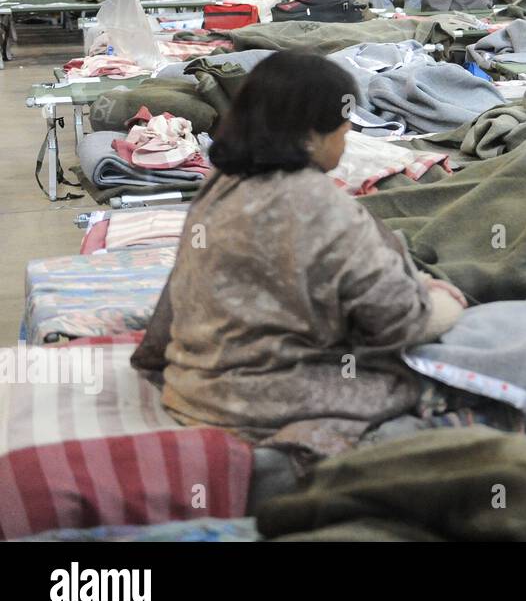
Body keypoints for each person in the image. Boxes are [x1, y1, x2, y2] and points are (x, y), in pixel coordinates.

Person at [129, 52, 465, 450]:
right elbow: (395, 323)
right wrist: (442, 300)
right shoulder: (323, 205)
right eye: (342, 130)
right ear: (310, 135)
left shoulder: (220, 184)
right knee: (459, 369)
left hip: (191, 389)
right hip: (265, 405)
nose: (346, 139)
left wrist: (155, 361)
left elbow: (174, 298)